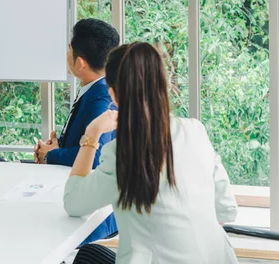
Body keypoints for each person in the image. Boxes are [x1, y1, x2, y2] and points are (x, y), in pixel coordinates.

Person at [64, 42, 238, 264]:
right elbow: (226, 210)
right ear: (163, 85)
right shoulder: (195, 131)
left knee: (86, 255)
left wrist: (92, 133)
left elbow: (73, 202)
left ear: (113, 95)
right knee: (92, 255)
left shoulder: (123, 154)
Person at [0, 18, 120, 245]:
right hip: (62, 178)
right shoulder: (96, 88)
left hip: (91, 214)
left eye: (69, 49)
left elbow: (96, 157)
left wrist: (49, 155)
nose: (66, 54)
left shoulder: (101, 97)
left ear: (80, 62)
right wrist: (53, 149)